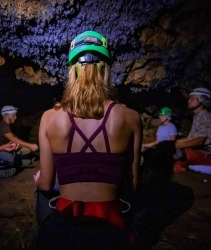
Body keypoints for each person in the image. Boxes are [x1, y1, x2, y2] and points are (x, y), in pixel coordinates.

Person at [32, 30, 142, 249]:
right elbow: (133, 184)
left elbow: (45, 184)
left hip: (66, 220)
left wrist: (39, 179)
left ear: (73, 70)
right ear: (106, 70)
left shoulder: (49, 117)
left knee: (42, 190)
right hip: (110, 223)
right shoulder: (131, 117)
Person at [174, 87, 211, 173]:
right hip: (201, 151)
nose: (188, 101)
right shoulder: (197, 116)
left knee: (181, 152)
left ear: (202, 99)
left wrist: (179, 145)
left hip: (208, 153)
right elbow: (190, 138)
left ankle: (180, 169)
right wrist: (172, 143)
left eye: (192, 99)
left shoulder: (206, 116)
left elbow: (200, 140)